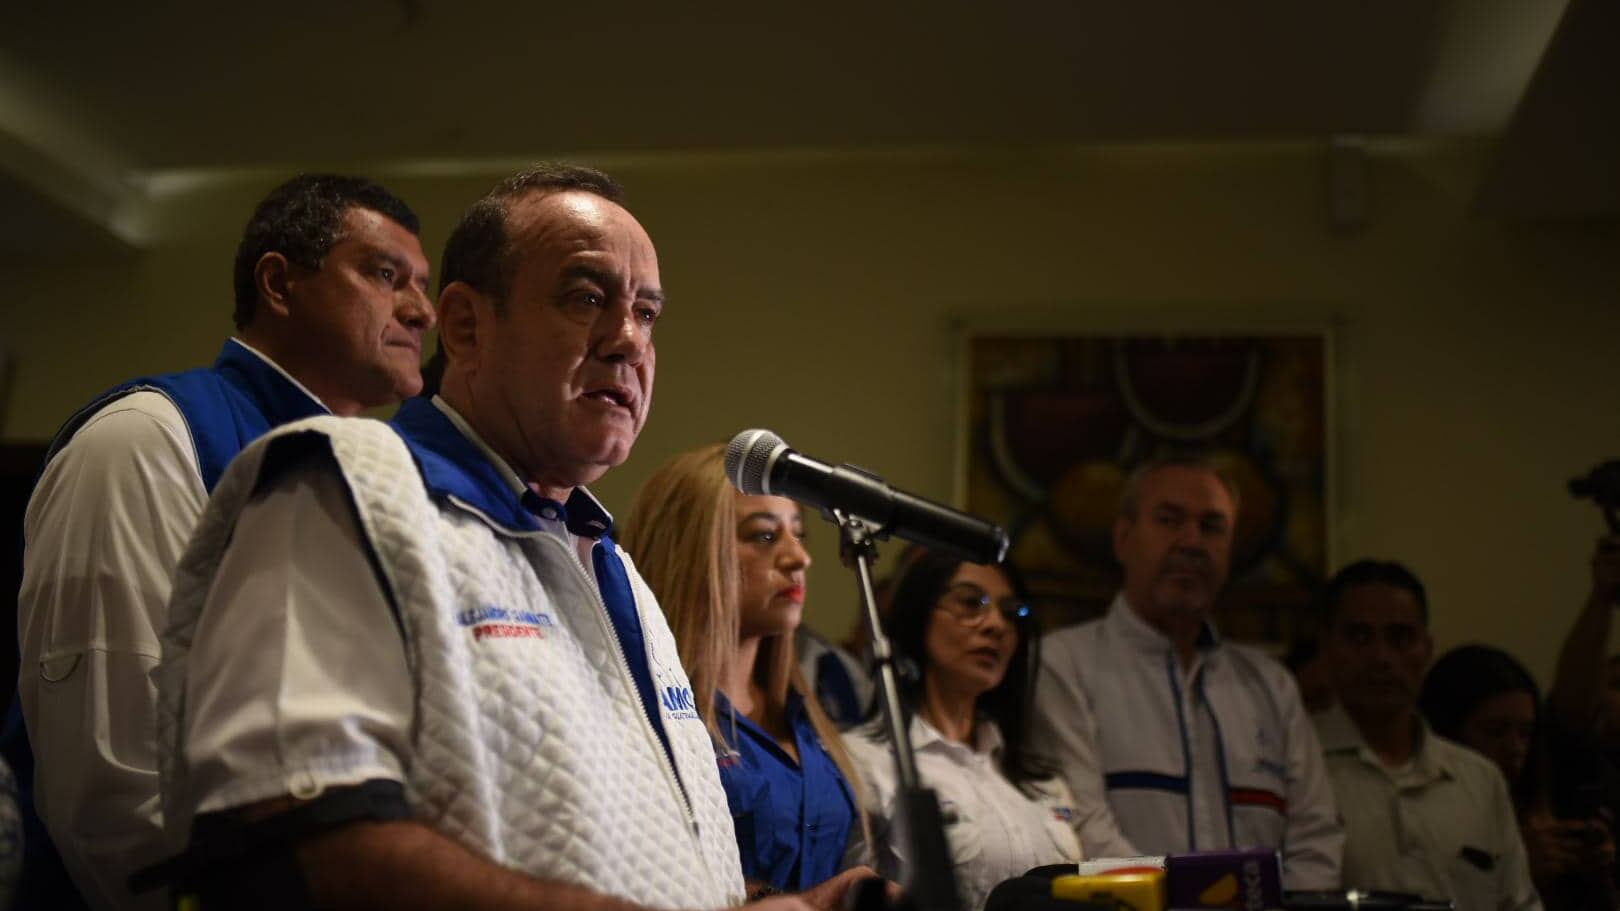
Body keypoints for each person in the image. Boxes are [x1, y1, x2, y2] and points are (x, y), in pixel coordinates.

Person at [155, 163, 859, 911]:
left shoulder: (613, 566)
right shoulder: (344, 485)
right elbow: (287, 838)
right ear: (465, 327)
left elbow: (636, 852)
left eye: (647, 312)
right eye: (586, 298)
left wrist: (783, 903)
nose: (628, 339)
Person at [4, 174, 432, 911]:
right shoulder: (144, 438)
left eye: (422, 285)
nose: (423, 310)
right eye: (385, 275)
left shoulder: (383, 481)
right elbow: (116, 789)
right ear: (279, 284)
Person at [1028, 454, 1341, 888]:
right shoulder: (1063, 665)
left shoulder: (1272, 685)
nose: (1192, 541)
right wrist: (1199, 904)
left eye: (1212, 526)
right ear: (1123, 538)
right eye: (1169, 520)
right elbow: (1083, 828)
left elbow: (1315, 837)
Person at [621, 444, 868, 894]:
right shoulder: (646, 717)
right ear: (688, 551)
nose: (800, 558)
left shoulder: (803, 715)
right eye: (765, 536)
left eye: (799, 534)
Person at [844, 550, 1081, 911]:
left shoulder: (1042, 781)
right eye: (971, 603)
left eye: (1011, 612)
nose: (996, 625)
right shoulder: (864, 761)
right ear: (919, 614)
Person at [1314, 560, 1542, 910]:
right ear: (1327, 647)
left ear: (1427, 648)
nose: (1381, 657)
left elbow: (1518, 902)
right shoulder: (1296, 768)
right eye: (1359, 637)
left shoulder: (1479, 779)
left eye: (1401, 638)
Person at [1422, 644, 1617, 909]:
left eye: (1525, 733)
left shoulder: (1544, 797)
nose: (1515, 748)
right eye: (1495, 731)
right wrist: (1513, 873)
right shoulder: (1424, 811)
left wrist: (1595, 868)